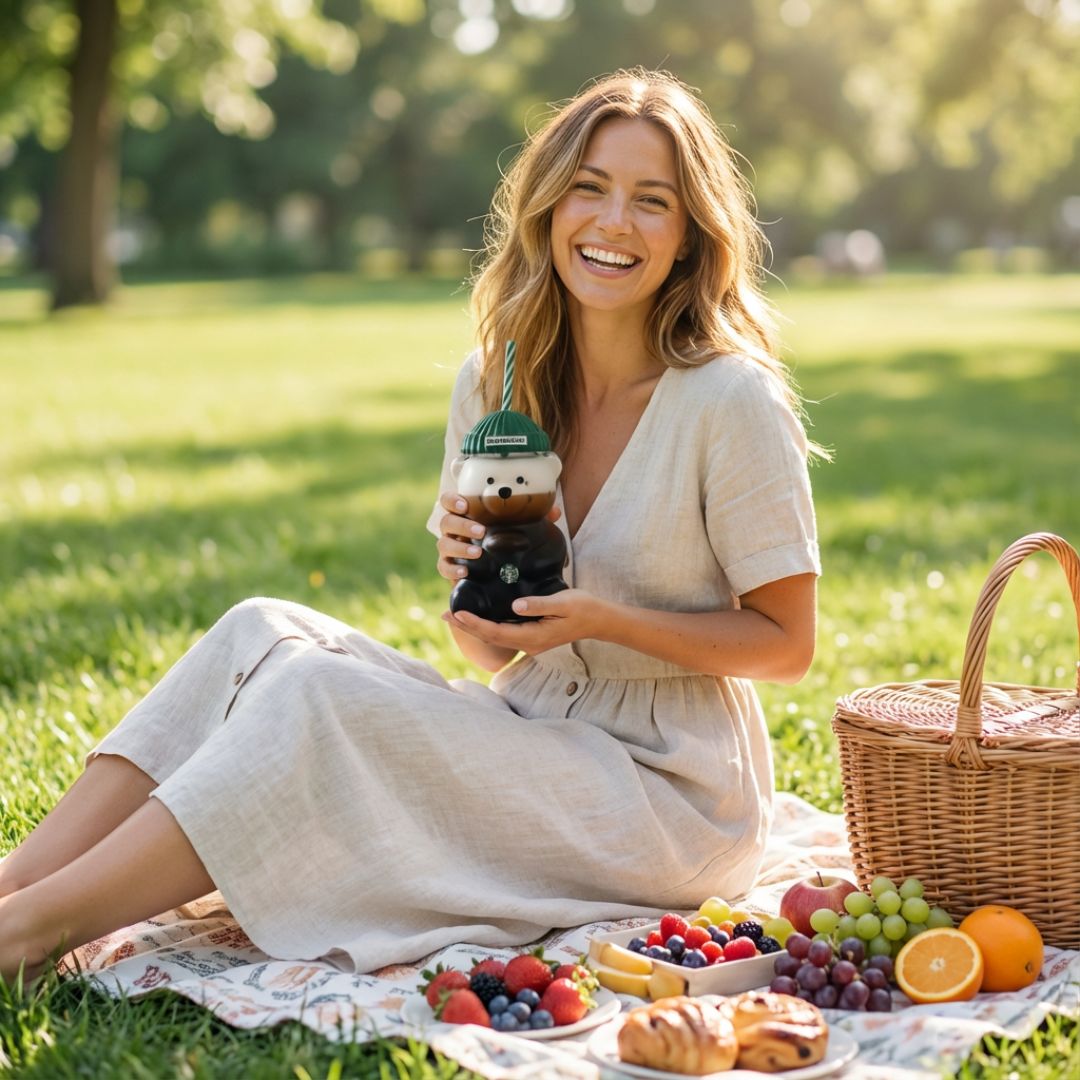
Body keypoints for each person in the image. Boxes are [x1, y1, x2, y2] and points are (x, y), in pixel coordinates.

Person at [0, 68, 820, 984]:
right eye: (588, 187)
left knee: (321, 702)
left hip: (674, 797)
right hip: (536, 727)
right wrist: (483, 611)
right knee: (260, 629)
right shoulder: (495, 381)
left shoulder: (729, 398)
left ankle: (29, 936)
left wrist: (603, 619)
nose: (613, 222)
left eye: (651, 201)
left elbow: (787, 645)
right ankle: (13, 891)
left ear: (689, 235)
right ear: (548, 206)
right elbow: (498, 664)